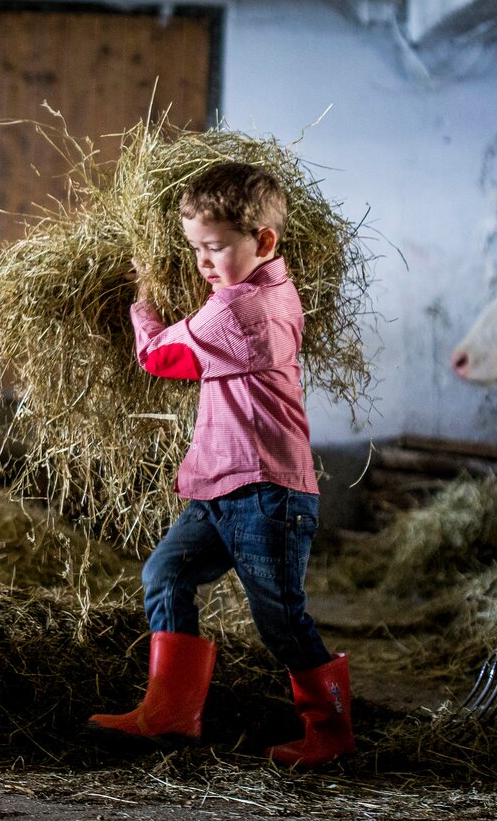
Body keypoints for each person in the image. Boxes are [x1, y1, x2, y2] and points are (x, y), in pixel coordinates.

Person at [87, 161, 353, 768]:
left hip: (264, 492)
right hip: (224, 486)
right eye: (195, 250)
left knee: (282, 623)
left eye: (214, 248)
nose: (204, 263)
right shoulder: (273, 291)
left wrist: (144, 301)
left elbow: (161, 359)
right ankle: (170, 714)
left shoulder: (232, 314)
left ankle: (332, 737)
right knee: (166, 573)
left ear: (263, 241)